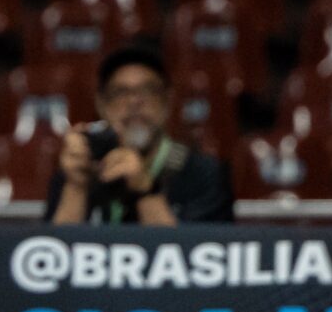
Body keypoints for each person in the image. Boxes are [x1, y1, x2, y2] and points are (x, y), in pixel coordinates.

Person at [47, 41, 236, 225]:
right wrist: (76, 187)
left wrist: (145, 189)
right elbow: (50, 253)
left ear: (168, 101)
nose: (134, 101)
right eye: (120, 92)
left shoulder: (203, 173)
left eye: (148, 90)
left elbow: (196, 254)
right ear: (101, 105)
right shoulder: (77, 171)